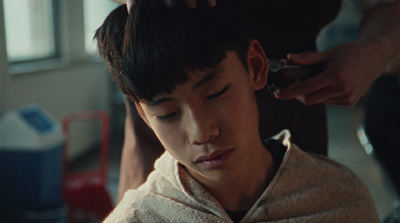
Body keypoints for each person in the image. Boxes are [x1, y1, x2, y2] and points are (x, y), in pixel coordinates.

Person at [95, 1, 380, 221]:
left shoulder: (339, 202)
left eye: (216, 93)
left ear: (255, 67)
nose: (202, 132)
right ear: (145, 115)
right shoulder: (137, 217)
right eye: (167, 113)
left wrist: (377, 48)